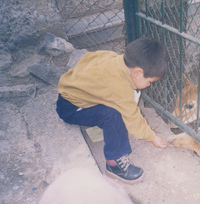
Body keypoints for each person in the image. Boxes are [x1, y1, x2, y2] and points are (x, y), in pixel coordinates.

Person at [56, 37, 168, 184]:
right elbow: (132, 118)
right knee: (115, 116)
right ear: (137, 73)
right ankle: (114, 162)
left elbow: (87, 58)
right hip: (72, 110)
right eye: (149, 82)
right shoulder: (119, 88)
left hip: (67, 94)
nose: (148, 85)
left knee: (122, 107)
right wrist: (152, 137)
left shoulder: (111, 57)